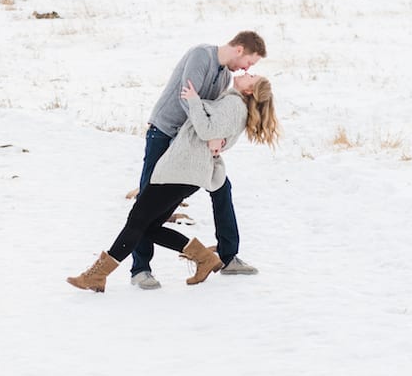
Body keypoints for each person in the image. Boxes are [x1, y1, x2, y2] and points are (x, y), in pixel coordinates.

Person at [67, 73, 279, 292]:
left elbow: (207, 130)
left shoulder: (234, 104)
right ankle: (204, 258)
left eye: (251, 77)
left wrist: (194, 101)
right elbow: (216, 133)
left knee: (137, 221)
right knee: (148, 227)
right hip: (186, 172)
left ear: (249, 91)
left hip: (180, 171)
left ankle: (96, 275)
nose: (246, 73)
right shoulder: (235, 105)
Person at [131, 31, 266, 290]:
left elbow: (212, 113)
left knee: (221, 188)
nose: (247, 68)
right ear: (240, 50)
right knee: (147, 196)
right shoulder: (201, 56)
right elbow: (188, 100)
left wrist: (219, 137)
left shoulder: (225, 76)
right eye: (249, 62)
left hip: (191, 142)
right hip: (165, 133)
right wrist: (209, 135)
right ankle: (140, 269)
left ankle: (229, 256)